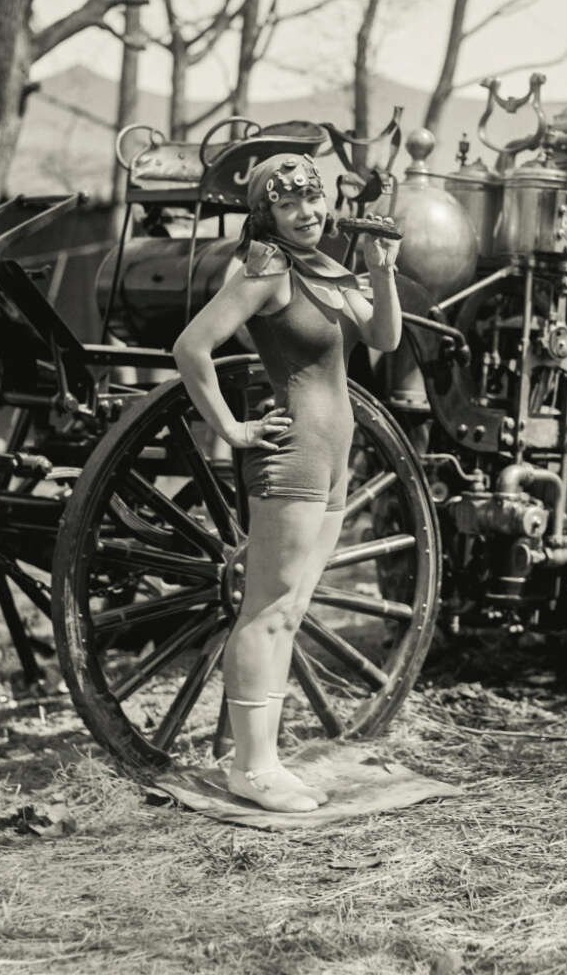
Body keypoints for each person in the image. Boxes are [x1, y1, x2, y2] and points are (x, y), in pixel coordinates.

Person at [172, 152, 401, 812]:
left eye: (314, 197)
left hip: (335, 461)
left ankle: (264, 762)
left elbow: (383, 336)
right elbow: (192, 347)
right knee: (266, 611)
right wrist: (234, 429)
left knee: (292, 613)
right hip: (294, 458)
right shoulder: (266, 266)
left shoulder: (328, 270)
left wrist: (383, 269)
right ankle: (252, 767)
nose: (307, 211)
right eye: (290, 202)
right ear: (266, 212)